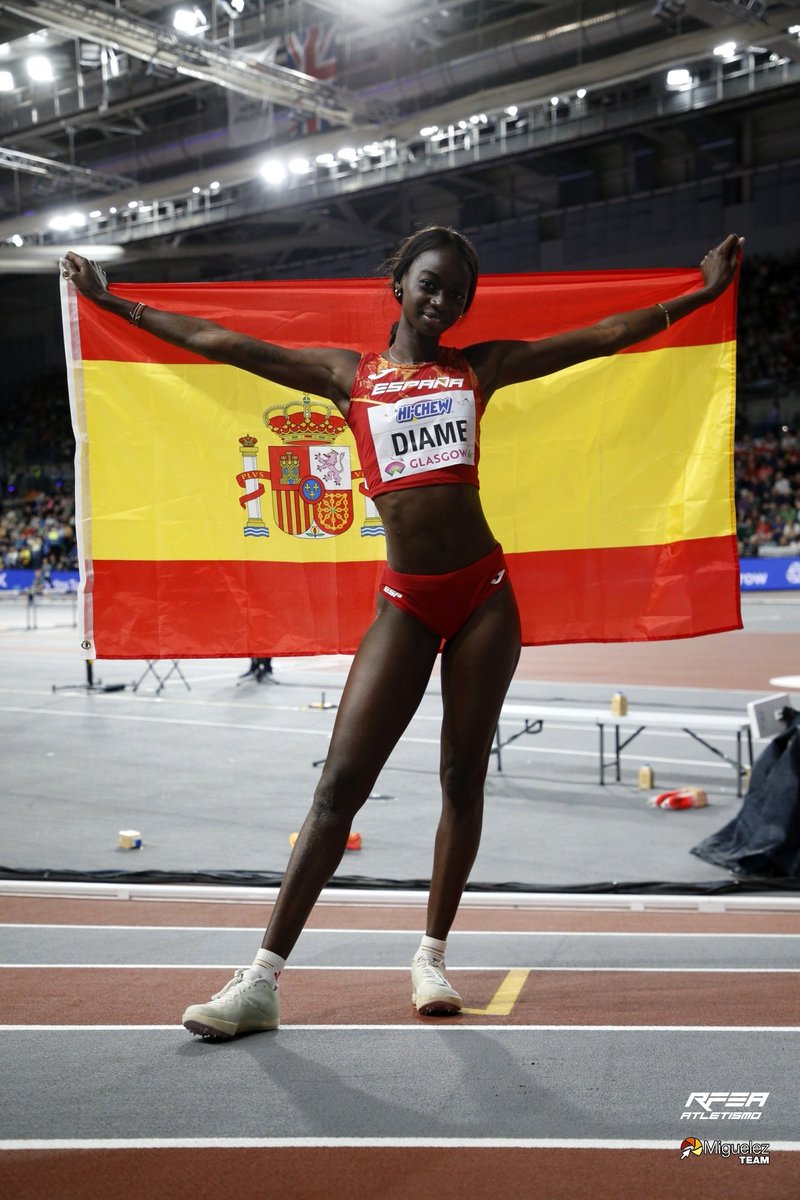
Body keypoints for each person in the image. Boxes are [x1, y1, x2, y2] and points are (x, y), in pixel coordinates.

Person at [60, 228, 742, 1040]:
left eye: (456, 291)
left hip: (486, 595)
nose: (442, 301)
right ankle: (261, 982)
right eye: (429, 284)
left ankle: (431, 956)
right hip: (408, 602)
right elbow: (221, 343)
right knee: (337, 787)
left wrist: (699, 297)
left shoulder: (476, 368)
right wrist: (114, 303)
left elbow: (596, 339)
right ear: (399, 284)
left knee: (462, 777)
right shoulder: (347, 377)